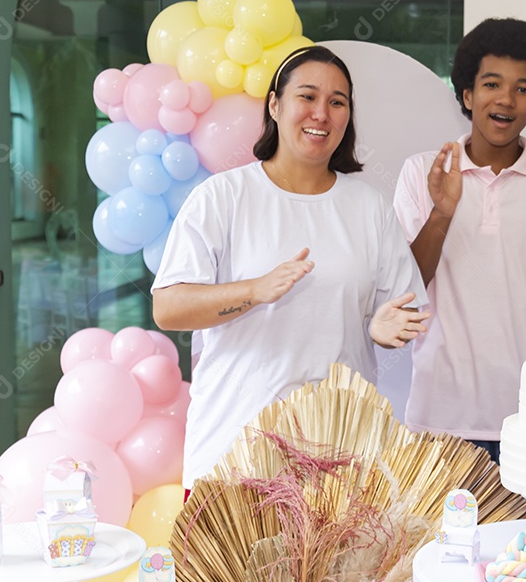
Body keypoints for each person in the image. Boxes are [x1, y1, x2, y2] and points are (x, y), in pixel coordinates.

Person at [153, 45, 429, 490]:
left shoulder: (369, 208)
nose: (322, 113)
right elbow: (169, 308)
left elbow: (401, 308)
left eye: (337, 102)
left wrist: (380, 326)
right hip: (235, 456)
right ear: (275, 105)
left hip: (341, 462)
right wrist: (254, 290)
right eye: (308, 96)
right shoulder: (223, 196)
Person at [393, 18, 526, 462]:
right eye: (491, 84)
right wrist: (442, 214)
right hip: (440, 415)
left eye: (523, 89)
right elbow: (406, 288)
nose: (506, 99)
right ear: (467, 94)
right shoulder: (424, 171)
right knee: (441, 535)